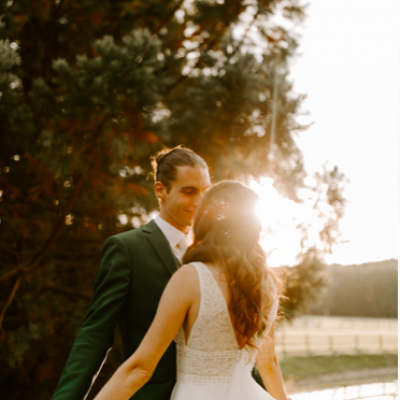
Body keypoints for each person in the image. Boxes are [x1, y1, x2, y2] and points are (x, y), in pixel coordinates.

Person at [93, 181, 289, 400]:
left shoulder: (190, 277)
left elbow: (139, 369)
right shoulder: (266, 282)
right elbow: (268, 360)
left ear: (204, 221)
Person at [51, 146, 211, 400]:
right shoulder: (127, 249)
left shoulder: (211, 253)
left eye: (206, 192)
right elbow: (95, 334)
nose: (199, 202)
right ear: (160, 190)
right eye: (189, 191)